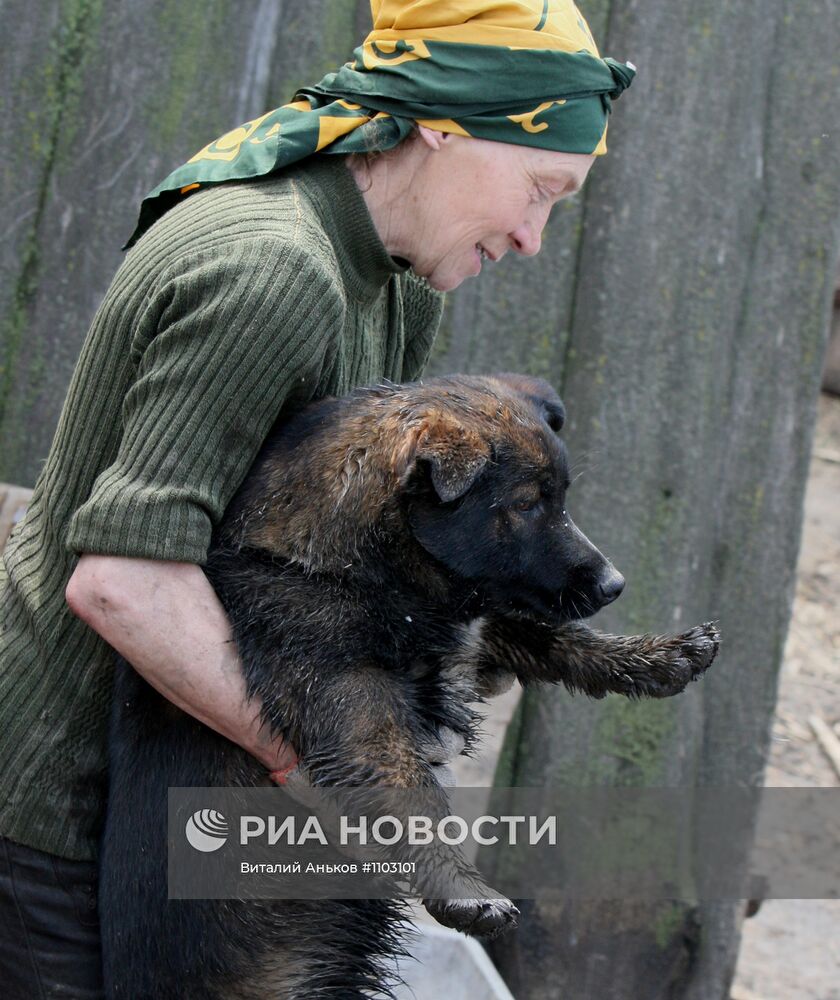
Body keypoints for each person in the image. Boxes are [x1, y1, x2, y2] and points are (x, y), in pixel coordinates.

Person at [0, 0, 634, 995]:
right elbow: (124, 585)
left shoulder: (385, 274)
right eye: (540, 189)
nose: (532, 237)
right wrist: (334, 781)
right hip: (56, 823)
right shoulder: (273, 272)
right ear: (444, 125)